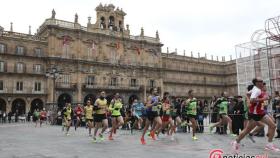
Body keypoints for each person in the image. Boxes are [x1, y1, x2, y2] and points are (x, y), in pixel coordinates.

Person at [232, 78, 280, 153]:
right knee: (272, 126)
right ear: (256, 83)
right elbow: (252, 100)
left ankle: (236, 142)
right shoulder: (257, 90)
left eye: (262, 81)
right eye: (261, 81)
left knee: (248, 130)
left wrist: (252, 102)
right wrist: (263, 99)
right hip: (257, 114)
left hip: (257, 113)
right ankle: (269, 145)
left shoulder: (255, 88)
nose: (262, 82)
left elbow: (248, 94)